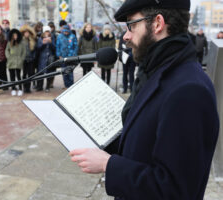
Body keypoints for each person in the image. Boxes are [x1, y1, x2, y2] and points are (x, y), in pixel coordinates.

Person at [69, 0, 219, 199]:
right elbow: (145, 144)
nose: (126, 36)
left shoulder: (188, 90)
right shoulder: (157, 71)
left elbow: (176, 189)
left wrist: (108, 164)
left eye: (132, 25)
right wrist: (104, 142)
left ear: (157, 23)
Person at [5, 28, 26, 96]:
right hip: (11, 61)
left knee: (18, 76)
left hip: (18, 61)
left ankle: (20, 89)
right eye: (13, 36)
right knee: (12, 76)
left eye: (16, 35)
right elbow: (6, 50)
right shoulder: (9, 43)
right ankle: (13, 89)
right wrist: (8, 57)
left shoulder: (21, 43)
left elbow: (24, 52)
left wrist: (21, 59)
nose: (15, 37)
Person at [36, 25, 56, 92]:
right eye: (46, 31)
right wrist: (43, 43)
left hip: (50, 58)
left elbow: (54, 48)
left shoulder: (52, 38)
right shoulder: (40, 39)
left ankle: (47, 87)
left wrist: (50, 43)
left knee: (49, 73)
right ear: (43, 32)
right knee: (40, 73)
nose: (47, 33)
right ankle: (39, 87)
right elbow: (38, 48)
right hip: (42, 58)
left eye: (48, 31)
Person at [20, 24, 36, 93]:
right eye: (25, 32)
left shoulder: (31, 40)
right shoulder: (21, 40)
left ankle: (28, 88)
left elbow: (34, 50)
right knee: (24, 74)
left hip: (30, 60)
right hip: (24, 60)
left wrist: (33, 57)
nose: (26, 34)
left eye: (28, 32)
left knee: (30, 74)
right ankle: (24, 87)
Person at [47, 21, 58, 89]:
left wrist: (51, 42)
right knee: (48, 70)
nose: (51, 28)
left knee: (53, 70)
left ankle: (51, 83)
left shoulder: (55, 35)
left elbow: (55, 46)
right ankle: (49, 83)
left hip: (53, 55)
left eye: (52, 27)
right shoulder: (46, 34)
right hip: (47, 55)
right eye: (50, 27)